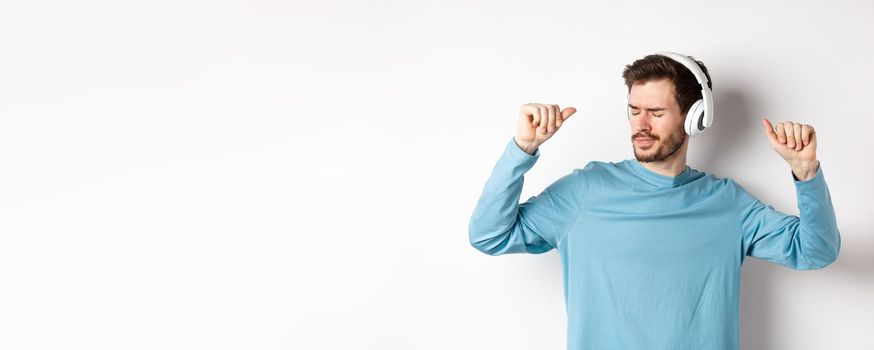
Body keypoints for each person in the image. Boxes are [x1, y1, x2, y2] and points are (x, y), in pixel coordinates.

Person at [467, 52, 841, 350]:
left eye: (657, 113)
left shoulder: (729, 204)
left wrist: (806, 175)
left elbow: (816, 251)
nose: (640, 125)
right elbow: (488, 235)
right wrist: (522, 150)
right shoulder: (584, 191)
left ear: (695, 118)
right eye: (634, 110)